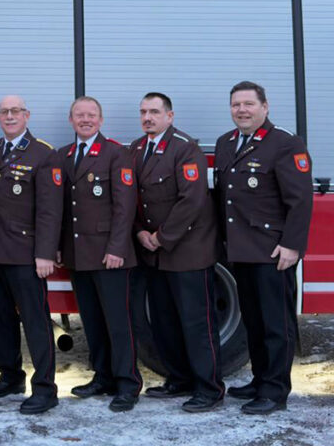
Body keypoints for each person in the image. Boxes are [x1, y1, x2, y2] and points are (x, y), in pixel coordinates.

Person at [214, 81, 313, 415]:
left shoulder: (285, 143)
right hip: (240, 251)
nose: (241, 110)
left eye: (249, 104)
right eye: (236, 104)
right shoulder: (226, 143)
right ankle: (260, 380)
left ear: (265, 107)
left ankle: (275, 391)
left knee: (276, 325)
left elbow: (300, 200)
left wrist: (292, 246)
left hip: (272, 252)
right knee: (254, 323)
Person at [130, 92, 224, 413]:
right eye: (143, 112)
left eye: (155, 112)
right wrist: (139, 231)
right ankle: (179, 379)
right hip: (154, 254)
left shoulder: (185, 148)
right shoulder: (137, 149)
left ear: (169, 116)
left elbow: (192, 200)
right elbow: (132, 198)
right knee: (164, 322)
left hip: (187, 252)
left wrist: (161, 237)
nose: (147, 118)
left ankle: (209, 388)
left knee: (197, 324)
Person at [0, 95, 62, 415]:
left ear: (27, 115)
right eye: (4, 112)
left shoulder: (43, 153)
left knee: (35, 322)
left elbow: (50, 210)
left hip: (26, 254)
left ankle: (45, 388)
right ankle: (10, 377)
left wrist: (45, 253)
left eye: (15, 111)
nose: (9, 116)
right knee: (1, 320)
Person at [56, 96, 142, 412]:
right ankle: (103, 377)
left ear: (101, 120)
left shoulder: (116, 153)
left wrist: (117, 248)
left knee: (119, 323)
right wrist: (59, 246)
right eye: (79, 115)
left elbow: (125, 206)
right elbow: (61, 208)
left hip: (109, 255)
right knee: (92, 321)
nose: (85, 120)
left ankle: (128, 384)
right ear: (71, 120)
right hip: (78, 255)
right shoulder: (64, 155)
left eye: (91, 115)